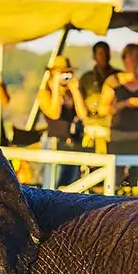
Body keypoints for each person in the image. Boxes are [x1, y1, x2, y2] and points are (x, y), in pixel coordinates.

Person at [33, 54, 88, 188]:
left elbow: (83, 114)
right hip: (53, 141)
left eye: (68, 72)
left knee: (71, 185)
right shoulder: (44, 93)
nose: (66, 75)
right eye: (62, 72)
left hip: (72, 142)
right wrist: (56, 88)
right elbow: (54, 114)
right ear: (52, 73)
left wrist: (75, 91)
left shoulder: (71, 92)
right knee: (52, 184)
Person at [103, 42, 138, 140]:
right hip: (118, 134)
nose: (134, 60)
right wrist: (126, 103)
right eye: (130, 56)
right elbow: (102, 109)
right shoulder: (114, 81)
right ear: (124, 58)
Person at [78, 41, 118, 120]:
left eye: (107, 53)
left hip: (114, 121)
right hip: (92, 121)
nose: (105, 57)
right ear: (94, 56)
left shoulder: (118, 76)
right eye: (101, 54)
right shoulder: (86, 78)